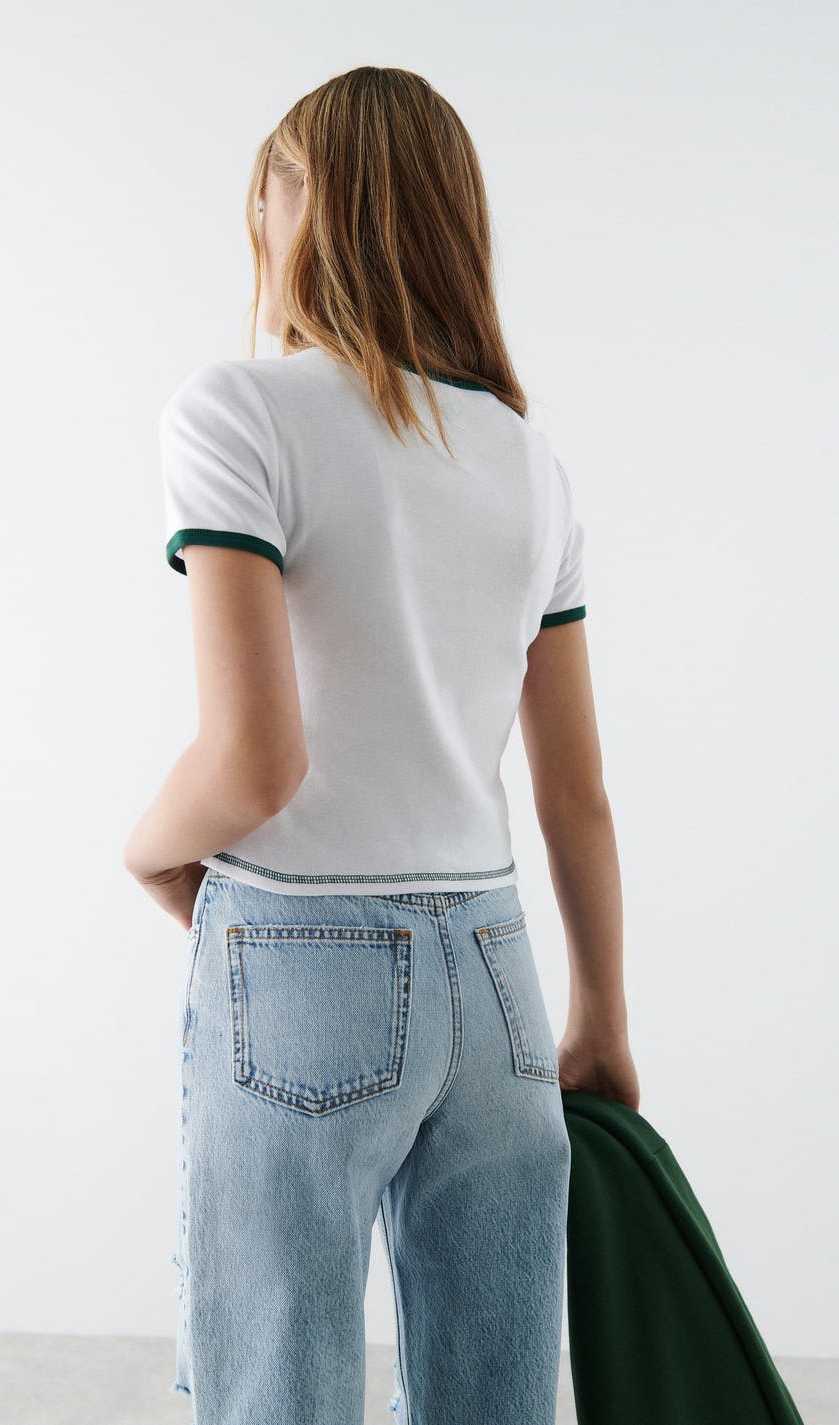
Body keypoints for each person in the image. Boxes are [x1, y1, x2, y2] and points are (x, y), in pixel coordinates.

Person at [123, 64, 639, 1425]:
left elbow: (254, 763)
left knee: (276, 1388)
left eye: (267, 191)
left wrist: (149, 851)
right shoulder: (527, 462)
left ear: (303, 202)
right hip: (498, 969)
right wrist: (600, 1015)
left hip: (303, 952)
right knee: (493, 1400)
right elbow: (576, 793)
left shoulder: (239, 413)